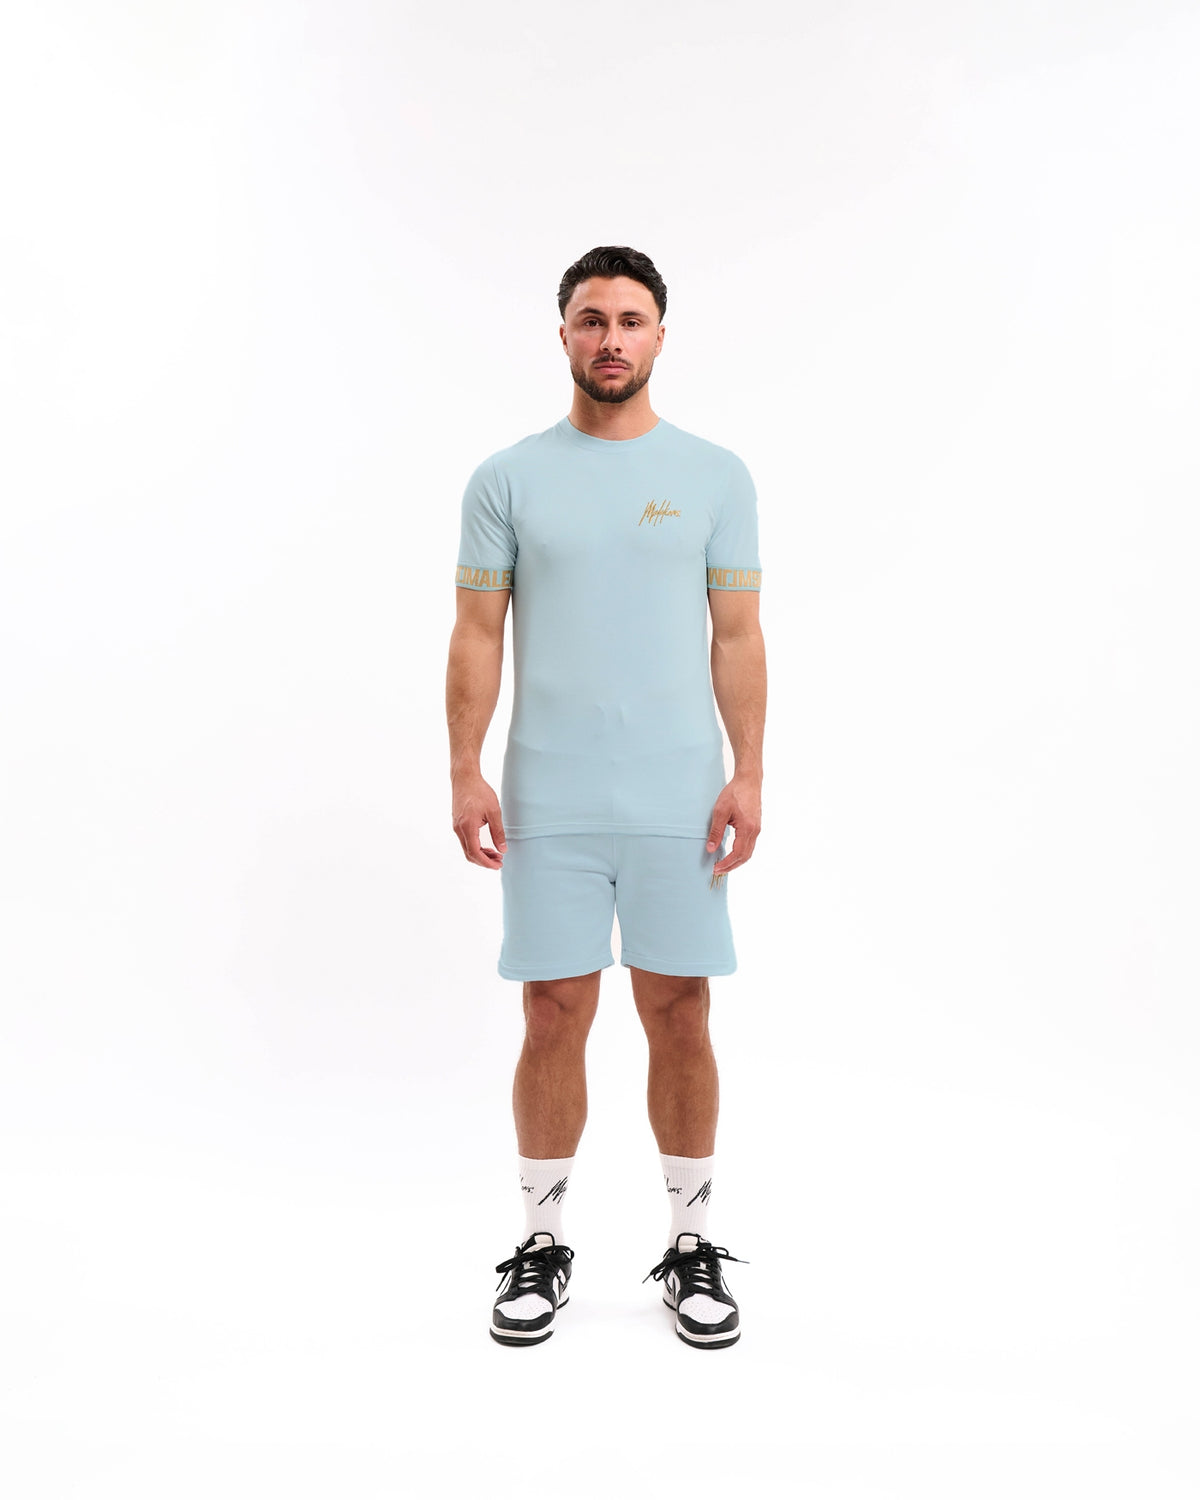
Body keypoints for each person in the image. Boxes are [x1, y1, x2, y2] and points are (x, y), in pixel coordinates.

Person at [445, 245, 766, 1349]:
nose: (612, 339)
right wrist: (465, 768)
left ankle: (691, 1244)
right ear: (565, 335)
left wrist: (749, 770)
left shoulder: (716, 477)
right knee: (552, 1012)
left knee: (682, 1010)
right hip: (551, 794)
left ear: (661, 336)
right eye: (592, 319)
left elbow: (738, 635)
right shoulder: (507, 479)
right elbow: (476, 634)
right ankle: (541, 1244)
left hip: (680, 795)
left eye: (631, 320)